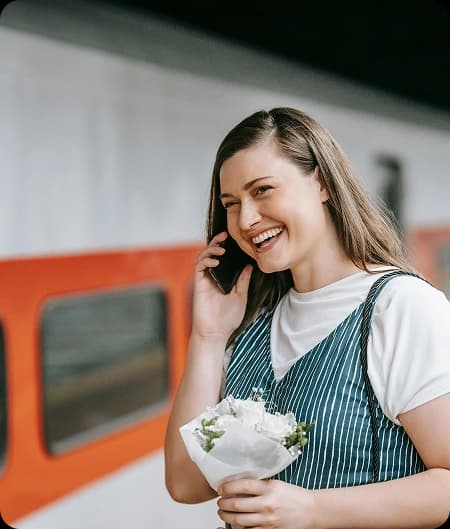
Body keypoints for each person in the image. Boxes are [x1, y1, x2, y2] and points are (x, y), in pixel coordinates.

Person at [164, 107, 450, 528]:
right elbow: (187, 483)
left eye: (262, 190)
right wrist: (207, 336)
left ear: (321, 183)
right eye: (231, 204)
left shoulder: (399, 307)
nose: (246, 219)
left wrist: (313, 510)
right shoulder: (254, 323)